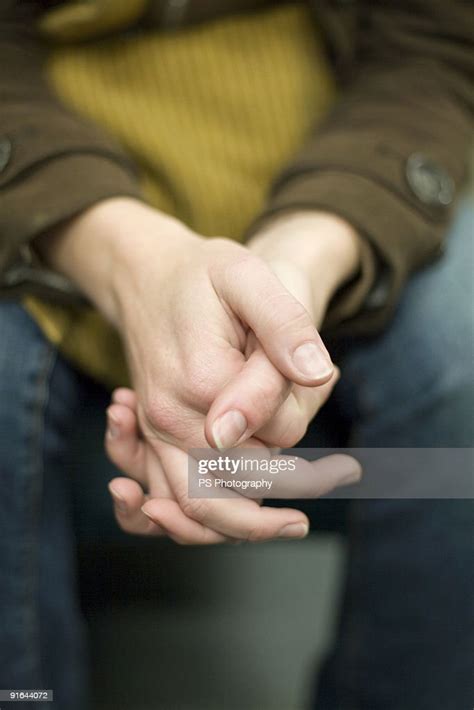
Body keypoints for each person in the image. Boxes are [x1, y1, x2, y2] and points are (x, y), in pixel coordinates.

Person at [0, 1, 472, 708]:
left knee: (460, 358)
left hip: (347, 132)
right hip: (40, 143)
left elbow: (434, 47)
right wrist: (132, 264)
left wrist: (302, 265)